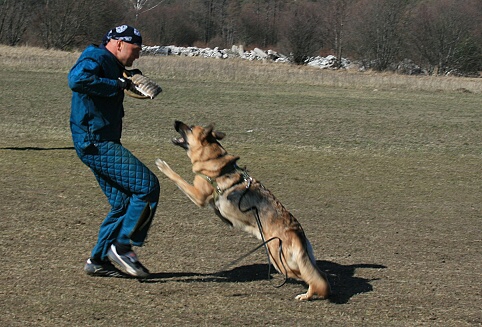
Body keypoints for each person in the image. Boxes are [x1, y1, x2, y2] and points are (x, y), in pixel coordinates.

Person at [68, 25, 160, 278]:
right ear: (119, 44)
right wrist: (118, 84)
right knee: (147, 187)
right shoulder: (95, 57)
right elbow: (76, 80)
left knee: (122, 203)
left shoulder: (110, 62)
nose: (138, 55)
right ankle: (122, 247)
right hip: (95, 142)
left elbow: (116, 79)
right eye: (135, 49)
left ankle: (97, 261)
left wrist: (128, 78)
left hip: (98, 141)